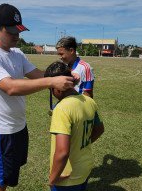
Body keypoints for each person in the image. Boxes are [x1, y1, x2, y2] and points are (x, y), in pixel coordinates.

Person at [0, 3, 75, 191]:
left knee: (10, 173)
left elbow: (39, 74)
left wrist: (67, 76)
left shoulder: (17, 53)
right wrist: (51, 83)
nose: (17, 35)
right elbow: (10, 88)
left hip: (19, 127)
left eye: (19, 30)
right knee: (1, 181)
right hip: (1, 132)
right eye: (12, 30)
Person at [44, 61, 105, 191]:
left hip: (67, 176)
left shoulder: (62, 109)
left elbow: (62, 152)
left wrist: (53, 179)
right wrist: (83, 143)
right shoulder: (89, 101)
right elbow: (100, 129)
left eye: (50, 88)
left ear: (58, 87)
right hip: (85, 167)